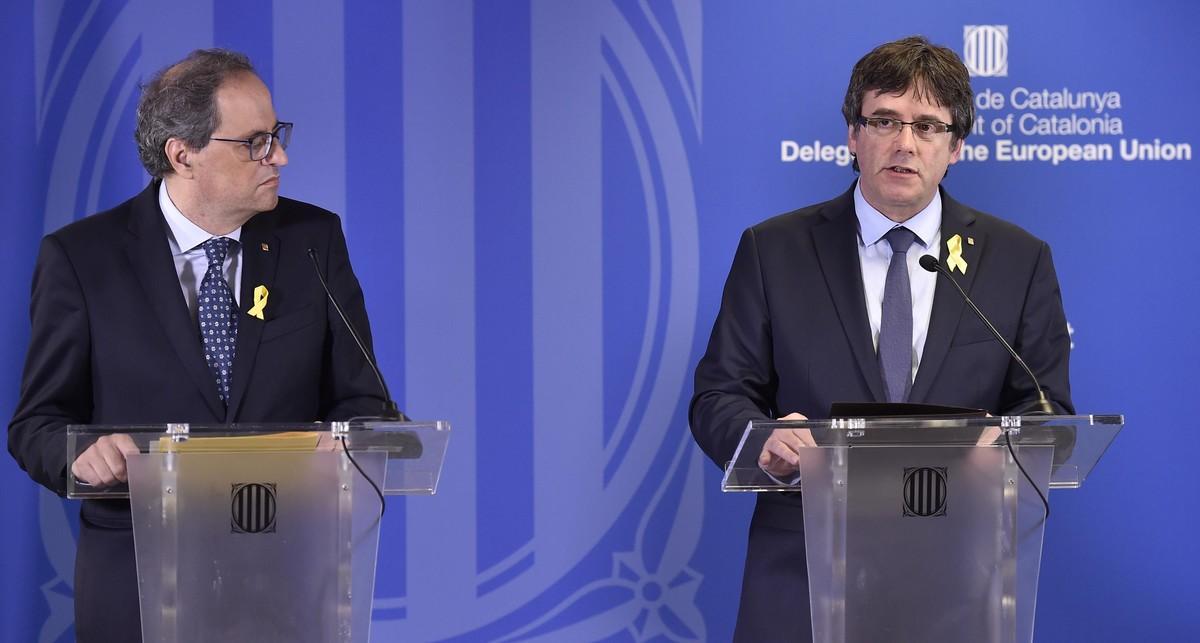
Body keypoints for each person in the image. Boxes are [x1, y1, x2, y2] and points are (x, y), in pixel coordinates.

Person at [689, 36, 1073, 642]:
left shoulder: (1018, 261)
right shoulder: (774, 251)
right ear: (852, 135)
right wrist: (763, 439)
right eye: (885, 120)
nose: (905, 143)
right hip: (805, 576)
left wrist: (1004, 451)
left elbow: (1047, 414)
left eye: (927, 125)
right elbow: (719, 396)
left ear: (956, 147)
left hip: (958, 576)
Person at [7, 49, 387, 643]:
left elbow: (363, 402)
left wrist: (348, 443)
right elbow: (37, 424)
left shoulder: (314, 241)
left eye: (277, 135)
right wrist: (78, 454)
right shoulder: (83, 259)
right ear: (182, 154)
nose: (280, 156)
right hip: (137, 583)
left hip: (285, 576)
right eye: (255, 142)